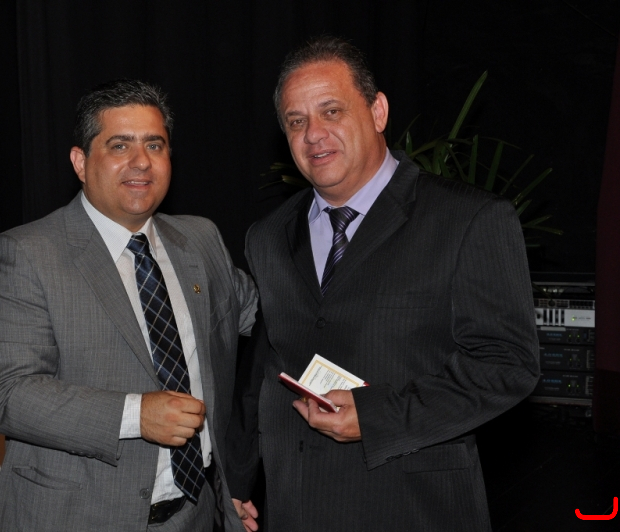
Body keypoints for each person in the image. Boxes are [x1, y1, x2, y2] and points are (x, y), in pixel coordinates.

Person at [225, 36, 540, 532]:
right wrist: (236, 481)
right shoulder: (267, 236)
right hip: (295, 507)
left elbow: (507, 365)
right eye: (296, 121)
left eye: (331, 111)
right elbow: (263, 370)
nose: (314, 134)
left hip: (412, 508)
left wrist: (379, 417)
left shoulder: (469, 219)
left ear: (378, 111)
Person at [0, 79, 257, 532]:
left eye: (154, 145)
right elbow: (5, 395)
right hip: (74, 520)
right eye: (120, 145)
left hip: (198, 514)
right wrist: (135, 415)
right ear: (80, 162)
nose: (141, 161)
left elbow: (267, 319)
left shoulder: (201, 239)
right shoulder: (25, 255)